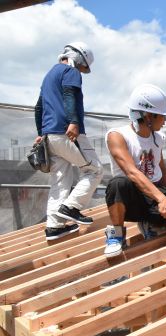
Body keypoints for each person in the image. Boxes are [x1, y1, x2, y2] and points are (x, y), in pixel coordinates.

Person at [103, 84, 166, 258]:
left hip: (155, 191)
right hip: (131, 195)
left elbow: (160, 167)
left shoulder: (158, 138)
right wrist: (161, 199)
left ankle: (154, 230)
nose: (164, 121)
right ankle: (116, 235)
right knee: (117, 183)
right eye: (162, 116)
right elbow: (132, 172)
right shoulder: (117, 135)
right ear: (148, 116)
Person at [34, 42, 103, 241]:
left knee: (60, 180)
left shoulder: (49, 76)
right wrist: (73, 121)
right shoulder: (70, 71)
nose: (82, 71)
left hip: (50, 136)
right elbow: (69, 94)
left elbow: (38, 107)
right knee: (95, 170)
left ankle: (54, 227)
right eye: (83, 67)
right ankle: (71, 207)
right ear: (79, 59)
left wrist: (41, 132)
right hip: (68, 132)